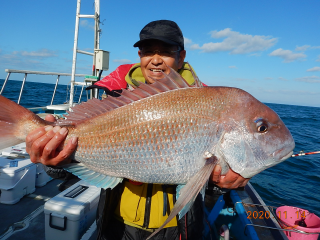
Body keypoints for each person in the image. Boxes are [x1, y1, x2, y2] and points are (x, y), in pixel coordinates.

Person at [26, 20, 249, 240]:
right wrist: (53, 159)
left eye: (166, 51)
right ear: (140, 56)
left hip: (177, 230)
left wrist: (222, 184)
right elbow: (76, 164)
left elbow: (205, 185)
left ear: (181, 56)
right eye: (147, 51)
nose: (156, 60)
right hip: (116, 225)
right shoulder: (114, 99)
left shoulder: (207, 104)